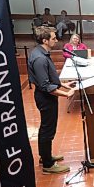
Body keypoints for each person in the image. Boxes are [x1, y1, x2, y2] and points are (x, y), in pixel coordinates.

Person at [28, 27, 75, 174]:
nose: (56, 40)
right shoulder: (40, 59)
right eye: (54, 38)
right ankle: (48, 165)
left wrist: (63, 84)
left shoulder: (40, 52)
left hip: (47, 96)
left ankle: (45, 156)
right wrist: (66, 94)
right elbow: (45, 85)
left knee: (46, 128)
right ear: (45, 40)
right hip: (46, 98)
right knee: (47, 130)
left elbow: (49, 77)